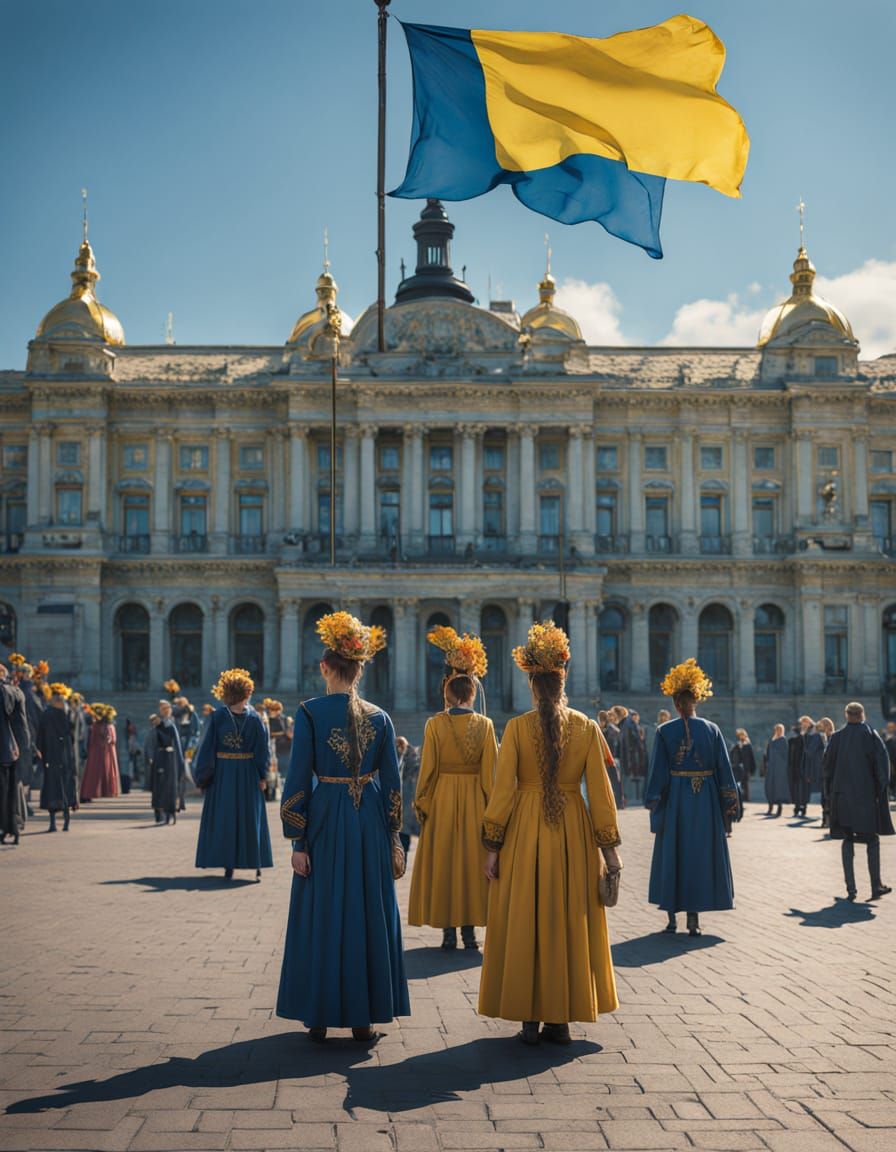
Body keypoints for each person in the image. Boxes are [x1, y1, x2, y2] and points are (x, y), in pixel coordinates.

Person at [479, 621, 621, 1046]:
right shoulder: (586, 728)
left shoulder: (518, 729)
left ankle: (528, 1016)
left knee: (525, 918)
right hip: (573, 833)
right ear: (563, 682)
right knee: (567, 919)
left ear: (532, 684)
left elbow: (503, 792)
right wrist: (610, 853)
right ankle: (561, 1018)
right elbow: (600, 793)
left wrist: (492, 846)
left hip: (525, 829)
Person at [276, 611, 409, 1043]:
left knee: (324, 913)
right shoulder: (381, 717)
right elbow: (393, 784)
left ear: (326, 667)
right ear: (359, 669)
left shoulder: (309, 713)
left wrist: (298, 839)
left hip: (326, 818)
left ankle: (317, 1015)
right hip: (368, 818)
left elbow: (296, 781)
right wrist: (393, 836)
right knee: (367, 912)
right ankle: (362, 1018)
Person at [409, 626, 498, 951]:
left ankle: (447, 932)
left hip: (443, 799)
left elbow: (427, 771)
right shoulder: (486, 726)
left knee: (445, 865)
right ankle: (470, 932)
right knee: (473, 867)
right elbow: (492, 775)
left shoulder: (434, 724)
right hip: (476, 799)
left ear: (448, 695)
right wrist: (494, 813)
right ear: (472, 695)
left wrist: (423, 804)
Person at [645, 659, 738, 937]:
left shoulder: (664, 731)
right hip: (705, 801)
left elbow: (657, 774)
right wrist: (728, 804)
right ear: (696, 700)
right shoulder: (712, 730)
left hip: (676, 801)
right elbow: (724, 769)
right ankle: (694, 920)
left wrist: (654, 802)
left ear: (675, 702)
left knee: (675, 852)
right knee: (698, 855)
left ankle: (672, 919)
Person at [193, 669, 272, 881]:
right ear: (246, 692)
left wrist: (203, 776)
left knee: (231, 817)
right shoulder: (248, 719)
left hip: (226, 773)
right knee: (245, 816)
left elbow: (207, 747)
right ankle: (248, 863)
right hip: (243, 773)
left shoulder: (224, 717)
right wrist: (263, 776)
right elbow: (262, 750)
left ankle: (238, 863)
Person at [822, 702, 893, 901]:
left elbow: (826, 766)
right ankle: (875, 886)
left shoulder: (836, 738)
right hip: (865, 798)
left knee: (847, 840)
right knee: (872, 840)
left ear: (846, 715)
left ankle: (851, 890)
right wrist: (881, 790)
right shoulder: (870, 735)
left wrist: (829, 795)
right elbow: (882, 765)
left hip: (842, 799)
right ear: (862, 715)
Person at [37, 685, 77, 832]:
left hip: (51, 755)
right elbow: (72, 736)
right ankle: (66, 822)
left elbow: (40, 734)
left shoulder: (46, 714)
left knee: (52, 788)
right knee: (65, 787)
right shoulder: (67, 715)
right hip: (65, 755)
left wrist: (39, 750)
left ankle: (53, 823)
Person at [145, 700, 185, 825]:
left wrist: (180, 761)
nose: (164, 711)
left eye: (166, 708)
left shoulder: (173, 723)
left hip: (170, 759)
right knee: (160, 786)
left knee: (170, 786)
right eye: (162, 709)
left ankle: (170, 812)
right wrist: (151, 756)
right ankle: (161, 814)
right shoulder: (157, 723)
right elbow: (151, 741)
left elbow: (177, 743)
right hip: (160, 758)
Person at [0, 664, 23, 845]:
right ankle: (13, 828)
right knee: (11, 791)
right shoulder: (16, 692)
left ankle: (5, 827)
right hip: (12, 749)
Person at [80, 703, 120, 801]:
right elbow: (112, 739)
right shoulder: (107, 726)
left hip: (97, 751)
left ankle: (90, 792)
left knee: (93, 772)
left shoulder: (98, 726)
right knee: (99, 771)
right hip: (103, 751)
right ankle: (101, 791)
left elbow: (94, 739)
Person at [173, 696, 199, 811]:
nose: (178, 707)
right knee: (177, 775)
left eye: (180, 705)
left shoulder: (192, 715)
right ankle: (178, 800)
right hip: (176, 748)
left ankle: (182, 800)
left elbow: (196, 733)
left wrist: (190, 749)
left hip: (187, 748)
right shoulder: (175, 716)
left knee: (185, 775)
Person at [396, 735, 421, 850]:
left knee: (403, 844)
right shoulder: (411, 758)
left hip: (406, 810)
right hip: (407, 810)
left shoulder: (408, 759)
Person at [788, 716, 814, 817]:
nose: (804, 725)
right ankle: (796, 806)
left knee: (805, 788)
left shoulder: (812, 734)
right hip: (796, 764)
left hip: (806, 765)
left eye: (806, 723)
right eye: (802, 723)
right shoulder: (795, 733)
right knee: (795, 787)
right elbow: (790, 744)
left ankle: (804, 806)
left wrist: (804, 736)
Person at [762, 723, 790, 817]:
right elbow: (768, 753)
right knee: (770, 786)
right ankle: (770, 807)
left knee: (779, 788)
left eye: (779, 729)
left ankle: (779, 808)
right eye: (776, 729)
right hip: (771, 767)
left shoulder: (783, 740)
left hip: (779, 768)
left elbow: (785, 754)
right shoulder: (772, 739)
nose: (778, 731)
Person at [597, 710, 623, 805]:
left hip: (610, 759)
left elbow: (609, 745)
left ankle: (616, 802)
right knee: (614, 781)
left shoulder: (608, 730)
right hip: (612, 758)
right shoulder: (612, 729)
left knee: (613, 781)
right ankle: (617, 802)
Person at [623, 709, 648, 801]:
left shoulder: (637, 726)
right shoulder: (630, 726)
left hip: (639, 750)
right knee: (635, 763)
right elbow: (633, 738)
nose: (636, 718)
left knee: (638, 764)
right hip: (634, 750)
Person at [729, 728, 756, 804]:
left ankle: (746, 798)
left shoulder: (748, 745)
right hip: (738, 768)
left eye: (741, 735)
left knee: (745, 784)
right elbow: (731, 754)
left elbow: (751, 758)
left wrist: (752, 769)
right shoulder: (737, 744)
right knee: (738, 783)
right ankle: (740, 797)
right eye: (739, 735)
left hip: (746, 768)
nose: (740, 737)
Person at [884, 720, 896, 801]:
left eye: (892, 727)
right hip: (887, 762)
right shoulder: (884, 738)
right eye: (889, 727)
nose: (890, 729)